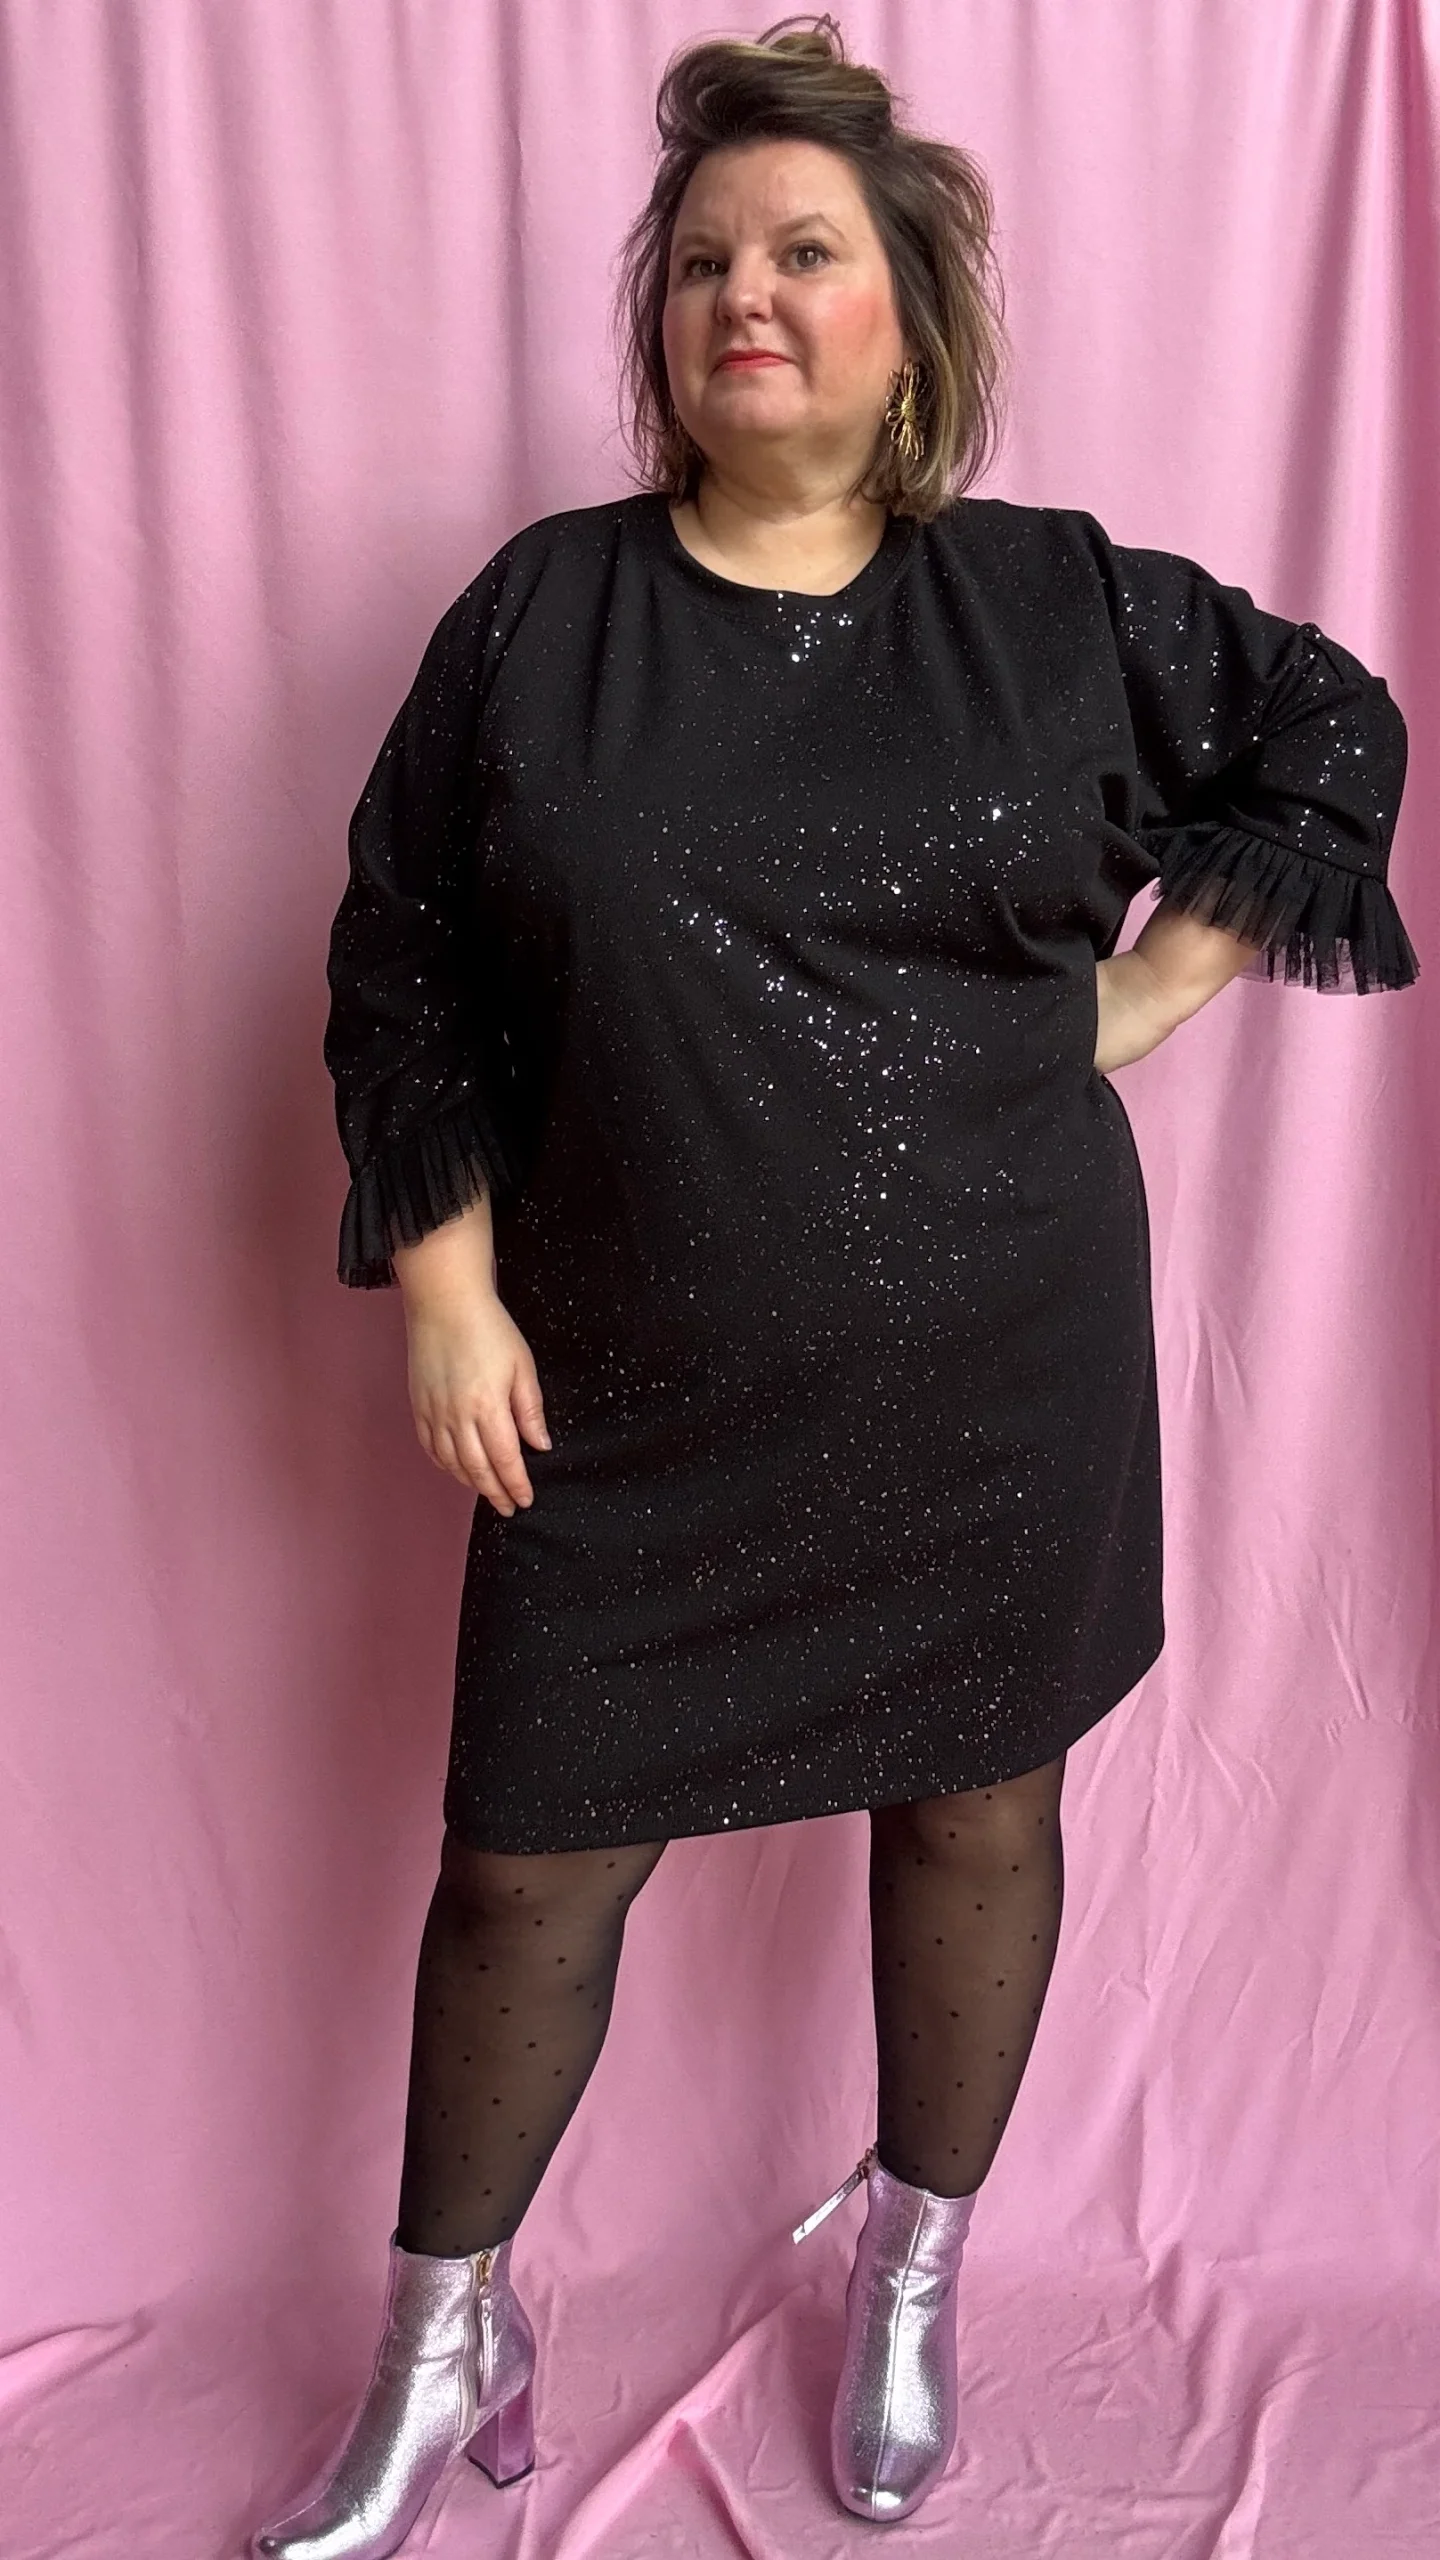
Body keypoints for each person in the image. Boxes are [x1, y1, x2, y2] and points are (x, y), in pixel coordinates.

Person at [248, 17, 1417, 2554]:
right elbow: (401, 952)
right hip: (626, 1388)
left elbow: (1332, 720)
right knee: (525, 1866)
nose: (742, 296)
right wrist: (445, 1286)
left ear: (912, 320)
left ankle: (912, 2260)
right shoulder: (545, 613)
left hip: (998, 1363)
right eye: (700, 263)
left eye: (802, 253)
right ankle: (443, 2334)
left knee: (977, 1813)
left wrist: (1145, 994)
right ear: (659, 326)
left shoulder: (1053, 602)